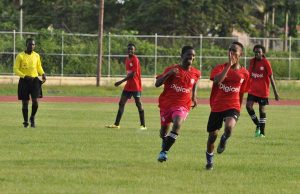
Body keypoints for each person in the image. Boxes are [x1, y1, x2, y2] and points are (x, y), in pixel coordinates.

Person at [205, 41, 250, 170]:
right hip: (217, 106)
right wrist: (229, 66)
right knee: (212, 137)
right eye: (230, 50)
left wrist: (239, 107)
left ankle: (224, 139)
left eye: (234, 51)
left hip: (233, 106)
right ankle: (209, 161)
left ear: (240, 54)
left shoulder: (245, 73)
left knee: (229, 127)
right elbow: (218, 80)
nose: (231, 53)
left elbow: (242, 92)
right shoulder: (220, 68)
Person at [156, 45, 201, 162]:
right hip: (166, 104)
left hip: (183, 105)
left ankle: (164, 152)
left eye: (193, 56)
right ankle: (165, 142)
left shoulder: (196, 73)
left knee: (177, 123)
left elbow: (195, 82)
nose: (191, 57)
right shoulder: (173, 69)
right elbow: (157, 83)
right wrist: (168, 74)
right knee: (163, 132)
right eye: (188, 55)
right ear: (182, 56)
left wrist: (194, 96)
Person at [105, 43, 147, 130]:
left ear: (134, 50)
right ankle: (116, 124)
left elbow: (132, 74)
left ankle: (143, 125)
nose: (130, 50)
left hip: (136, 85)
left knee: (138, 104)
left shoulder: (135, 59)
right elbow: (129, 73)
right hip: (128, 85)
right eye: (129, 49)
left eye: (132, 49)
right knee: (121, 103)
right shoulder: (127, 59)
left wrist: (121, 81)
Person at [246, 44, 279, 137]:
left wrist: (276, 93)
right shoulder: (252, 61)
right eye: (255, 52)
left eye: (259, 52)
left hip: (263, 91)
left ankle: (262, 133)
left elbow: (271, 77)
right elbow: (249, 75)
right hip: (252, 90)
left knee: (262, 110)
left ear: (262, 53)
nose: (257, 53)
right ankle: (258, 124)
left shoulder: (266, 62)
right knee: (248, 106)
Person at [13, 38, 46, 128]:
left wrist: (42, 73)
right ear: (26, 44)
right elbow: (15, 70)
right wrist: (24, 76)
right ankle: (25, 121)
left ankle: (32, 117)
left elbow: (39, 66)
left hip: (35, 80)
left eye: (33, 45)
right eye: (30, 44)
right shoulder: (20, 56)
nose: (32, 46)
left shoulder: (36, 56)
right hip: (24, 81)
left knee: (35, 101)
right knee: (25, 102)